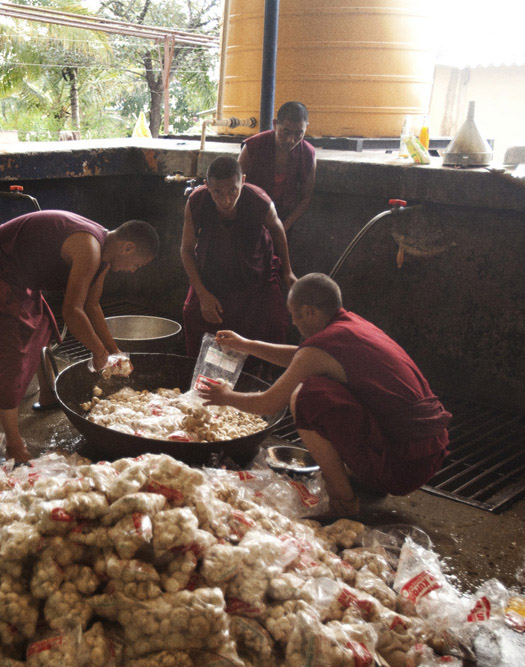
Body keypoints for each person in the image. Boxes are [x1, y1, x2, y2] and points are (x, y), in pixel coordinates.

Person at [199, 273, 451, 517]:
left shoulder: (323, 347)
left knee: (306, 397)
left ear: (309, 312)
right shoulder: (350, 325)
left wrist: (225, 396)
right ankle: (364, 476)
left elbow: (270, 403)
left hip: (403, 467)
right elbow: (302, 357)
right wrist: (246, 345)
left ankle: (343, 501)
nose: (294, 324)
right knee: (319, 387)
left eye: (295, 317)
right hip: (427, 453)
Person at [0, 211, 159, 462]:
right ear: (128, 247)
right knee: (13, 351)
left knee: (41, 328)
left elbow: (92, 306)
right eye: (137, 264)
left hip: (20, 273)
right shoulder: (90, 248)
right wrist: (98, 351)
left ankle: (47, 395)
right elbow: (72, 311)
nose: (133, 271)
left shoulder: (104, 256)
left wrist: (114, 350)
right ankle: (14, 444)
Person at [181, 155, 296, 359]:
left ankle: (259, 380)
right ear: (207, 186)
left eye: (232, 191)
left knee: (273, 322)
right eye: (218, 192)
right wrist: (202, 293)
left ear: (243, 181)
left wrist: (287, 271)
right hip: (212, 271)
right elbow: (187, 249)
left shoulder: (258, 200)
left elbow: (278, 231)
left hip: (255, 271)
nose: (226, 200)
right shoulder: (197, 201)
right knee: (193, 312)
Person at [238, 101, 316, 234]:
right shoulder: (253, 147)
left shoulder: (307, 153)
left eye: (298, 134)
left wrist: (282, 228)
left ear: (306, 128)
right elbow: (236, 186)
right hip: (249, 218)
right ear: (275, 124)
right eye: (285, 132)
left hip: (284, 220)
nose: (291, 140)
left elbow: (306, 198)